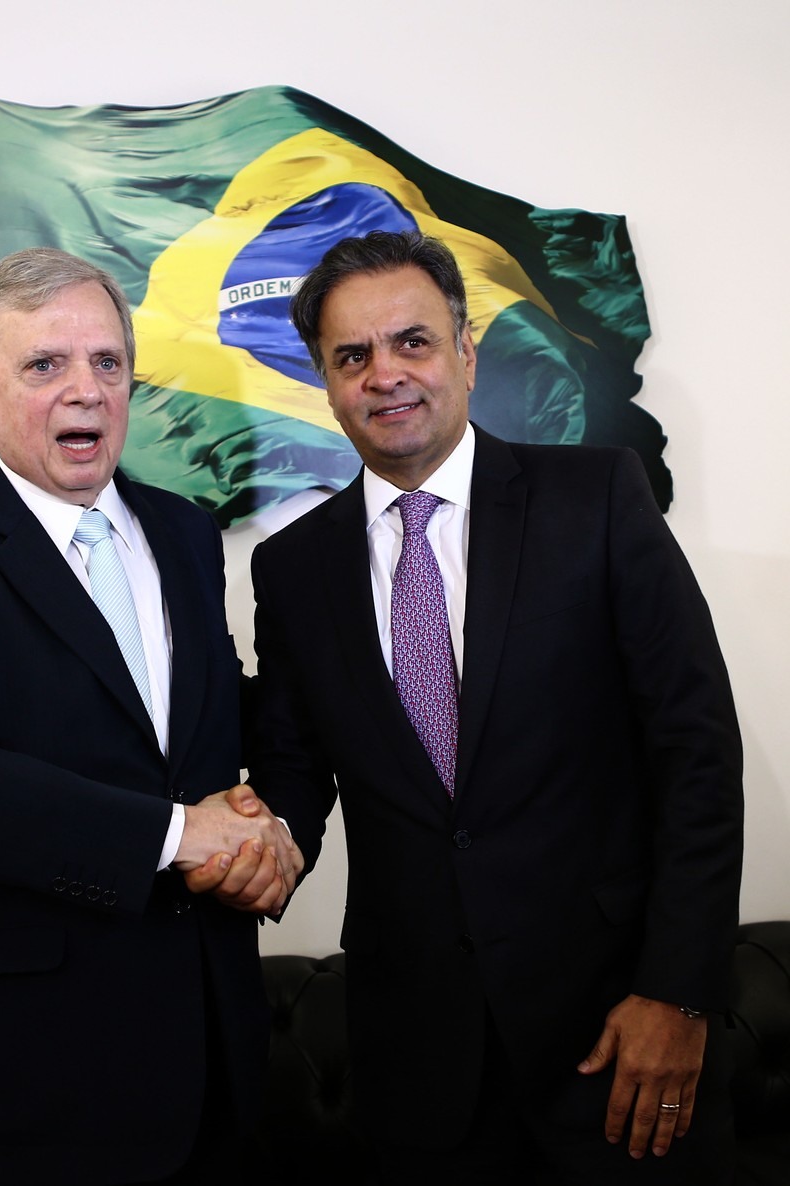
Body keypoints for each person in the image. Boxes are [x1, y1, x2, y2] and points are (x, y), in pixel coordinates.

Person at [208, 230, 744, 1183]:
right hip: (418, 1056)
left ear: (465, 349)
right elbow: (297, 770)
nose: (386, 374)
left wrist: (679, 993)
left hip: (616, 1032)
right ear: (326, 384)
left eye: (412, 341)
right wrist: (263, 840)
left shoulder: (597, 499)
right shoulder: (291, 572)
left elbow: (696, 751)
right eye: (353, 356)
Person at [0, 247, 299, 1185]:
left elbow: (210, 725)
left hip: (212, 1055)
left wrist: (273, 828)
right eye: (45, 365)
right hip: (18, 1078)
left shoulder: (182, 530)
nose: (84, 390)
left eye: (107, 363)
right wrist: (178, 836)